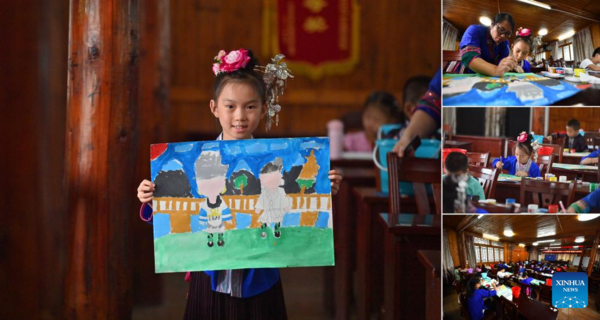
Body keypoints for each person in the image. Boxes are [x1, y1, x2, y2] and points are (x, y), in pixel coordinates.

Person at [136, 48, 343, 318]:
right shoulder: (199, 160)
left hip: (260, 277)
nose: (240, 116)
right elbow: (176, 215)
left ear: (264, 108)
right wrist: (152, 198)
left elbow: (295, 212)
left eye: (250, 106)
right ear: (214, 108)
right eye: (230, 106)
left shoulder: (275, 162)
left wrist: (325, 189)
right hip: (208, 276)